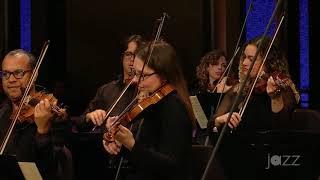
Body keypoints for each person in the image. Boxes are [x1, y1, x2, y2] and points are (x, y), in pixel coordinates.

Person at [208, 37, 300, 180]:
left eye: (251, 59)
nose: (244, 63)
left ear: (268, 63)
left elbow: (281, 131)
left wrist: (275, 98)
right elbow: (212, 123)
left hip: (266, 166)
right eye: (244, 57)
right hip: (235, 161)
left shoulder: (283, 90)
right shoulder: (238, 90)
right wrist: (220, 120)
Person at [102, 40, 195, 180]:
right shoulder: (155, 103)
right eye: (135, 74)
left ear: (163, 74)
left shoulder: (174, 106)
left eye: (143, 75)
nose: (136, 81)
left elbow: (171, 166)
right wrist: (120, 144)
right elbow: (144, 155)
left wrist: (131, 144)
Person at [0, 49, 71, 180]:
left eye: (18, 73)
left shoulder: (53, 116)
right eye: (5, 74)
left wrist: (43, 131)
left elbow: (51, 169)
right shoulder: (2, 113)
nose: (10, 80)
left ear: (34, 74)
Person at [74, 35, 146, 132]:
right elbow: (79, 123)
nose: (132, 59)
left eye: (137, 55)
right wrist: (89, 116)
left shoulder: (147, 90)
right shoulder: (106, 90)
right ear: (122, 57)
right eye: (128, 54)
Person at [192, 50, 236, 144]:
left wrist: (221, 94)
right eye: (215, 64)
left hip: (222, 138)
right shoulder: (197, 91)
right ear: (207, 67)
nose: (220, 68)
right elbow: (202, 123)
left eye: (224, 65)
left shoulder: (230, 90)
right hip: (202, 138)